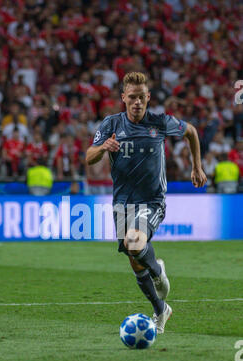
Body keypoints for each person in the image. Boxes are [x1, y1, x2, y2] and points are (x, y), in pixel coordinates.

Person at [86, 72, 207, 334]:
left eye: (142, 97)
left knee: (135, 243)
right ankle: (161, 309)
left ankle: (158, 271)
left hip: (152, 201)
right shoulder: (111, 125)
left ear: (148, 97)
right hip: (122, 203)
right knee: (134, 258)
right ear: (123, 98)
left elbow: (192, 133)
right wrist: (104, 147)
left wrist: (197, 167)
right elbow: (89, 157)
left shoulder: (160, 122)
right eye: (132, 97)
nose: (137, 102)